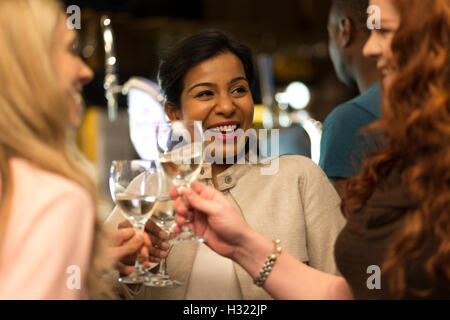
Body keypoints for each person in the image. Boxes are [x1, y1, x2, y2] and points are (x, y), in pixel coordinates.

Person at [172, 0, 450, 299]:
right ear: (172, 113)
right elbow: (353, 290)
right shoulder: (410, 153)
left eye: (384, 30)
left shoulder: (303, 171)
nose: (369, 48)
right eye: (205, 93)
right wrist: (243, 246)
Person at [105, 30, 346, 300]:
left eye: (238, 90)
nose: (227, 106)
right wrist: (117, 263)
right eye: (206, 93)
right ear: (174, 113)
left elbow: (345, 287)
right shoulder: (147, 189)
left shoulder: (299, 178)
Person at [0, 0, 135, 299]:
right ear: (30, 66)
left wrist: (85, 259)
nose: (86, 72)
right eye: (70, 51)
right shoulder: (57, 198)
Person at [320, 0, 383, 198]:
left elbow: (341, 225)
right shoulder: (430, 99)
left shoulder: (349, 120)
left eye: (330, 34)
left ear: (345, 30)